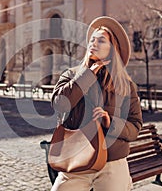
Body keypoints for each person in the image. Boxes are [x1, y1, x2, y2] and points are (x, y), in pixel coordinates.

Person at [50, 16, 143, 191]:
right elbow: (59, 104)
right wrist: (87, 75)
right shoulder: (71, 75)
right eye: (92, 39)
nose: (94, 43)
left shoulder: (125, 84)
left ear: (112, 48)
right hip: (75, 158)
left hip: (112, 161)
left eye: (101, 40)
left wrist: (111, 123)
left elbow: (136, 126)